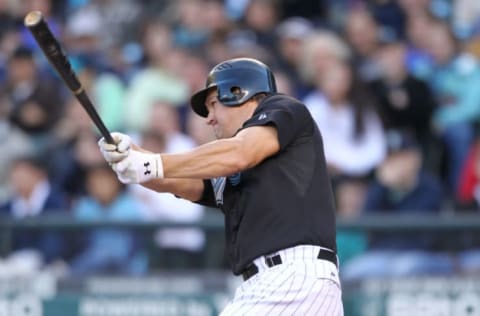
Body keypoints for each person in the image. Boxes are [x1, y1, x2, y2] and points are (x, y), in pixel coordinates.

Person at [98, 57, 343, 315]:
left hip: (294, 278)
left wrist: (150, 164)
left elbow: (241, 151)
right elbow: (189, 183)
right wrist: (131, 155)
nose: (209, 119)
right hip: (274, 283)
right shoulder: (234, 167)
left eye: (213, 105)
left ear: (240, 93)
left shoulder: (284, 109)